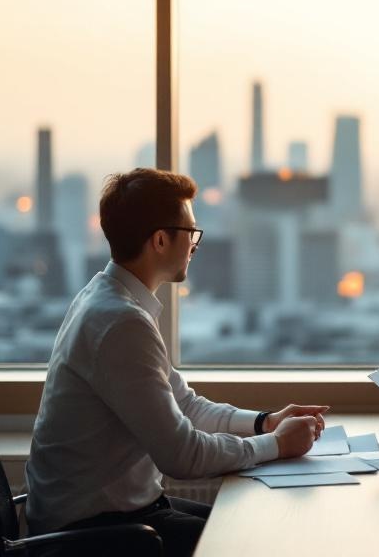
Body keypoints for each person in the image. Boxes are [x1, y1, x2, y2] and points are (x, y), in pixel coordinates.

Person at [25, 168, 328, 556]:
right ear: (161, 240)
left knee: (245, 526)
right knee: (252, 543)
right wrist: (276, 445)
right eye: (191, 233)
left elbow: (185, 404)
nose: (196, 244)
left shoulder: (106, 299)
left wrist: (263, 422)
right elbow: (182, 456)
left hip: (113, 516)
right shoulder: (121, 322)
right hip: (92, 534)